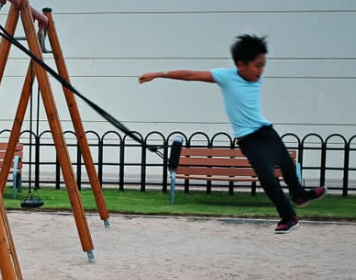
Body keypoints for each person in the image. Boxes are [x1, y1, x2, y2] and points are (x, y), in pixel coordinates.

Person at [138, 34, 327, 234]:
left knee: (287, 164)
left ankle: (299, 195)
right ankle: (289, 216)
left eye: (263, 65)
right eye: (257, 65)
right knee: (268, 178)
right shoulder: (226, 76)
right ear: (240, 65)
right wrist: (160, 74)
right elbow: (191, 75)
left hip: (266, 131)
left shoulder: (256, 77)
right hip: (249, 139)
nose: (261, 71)